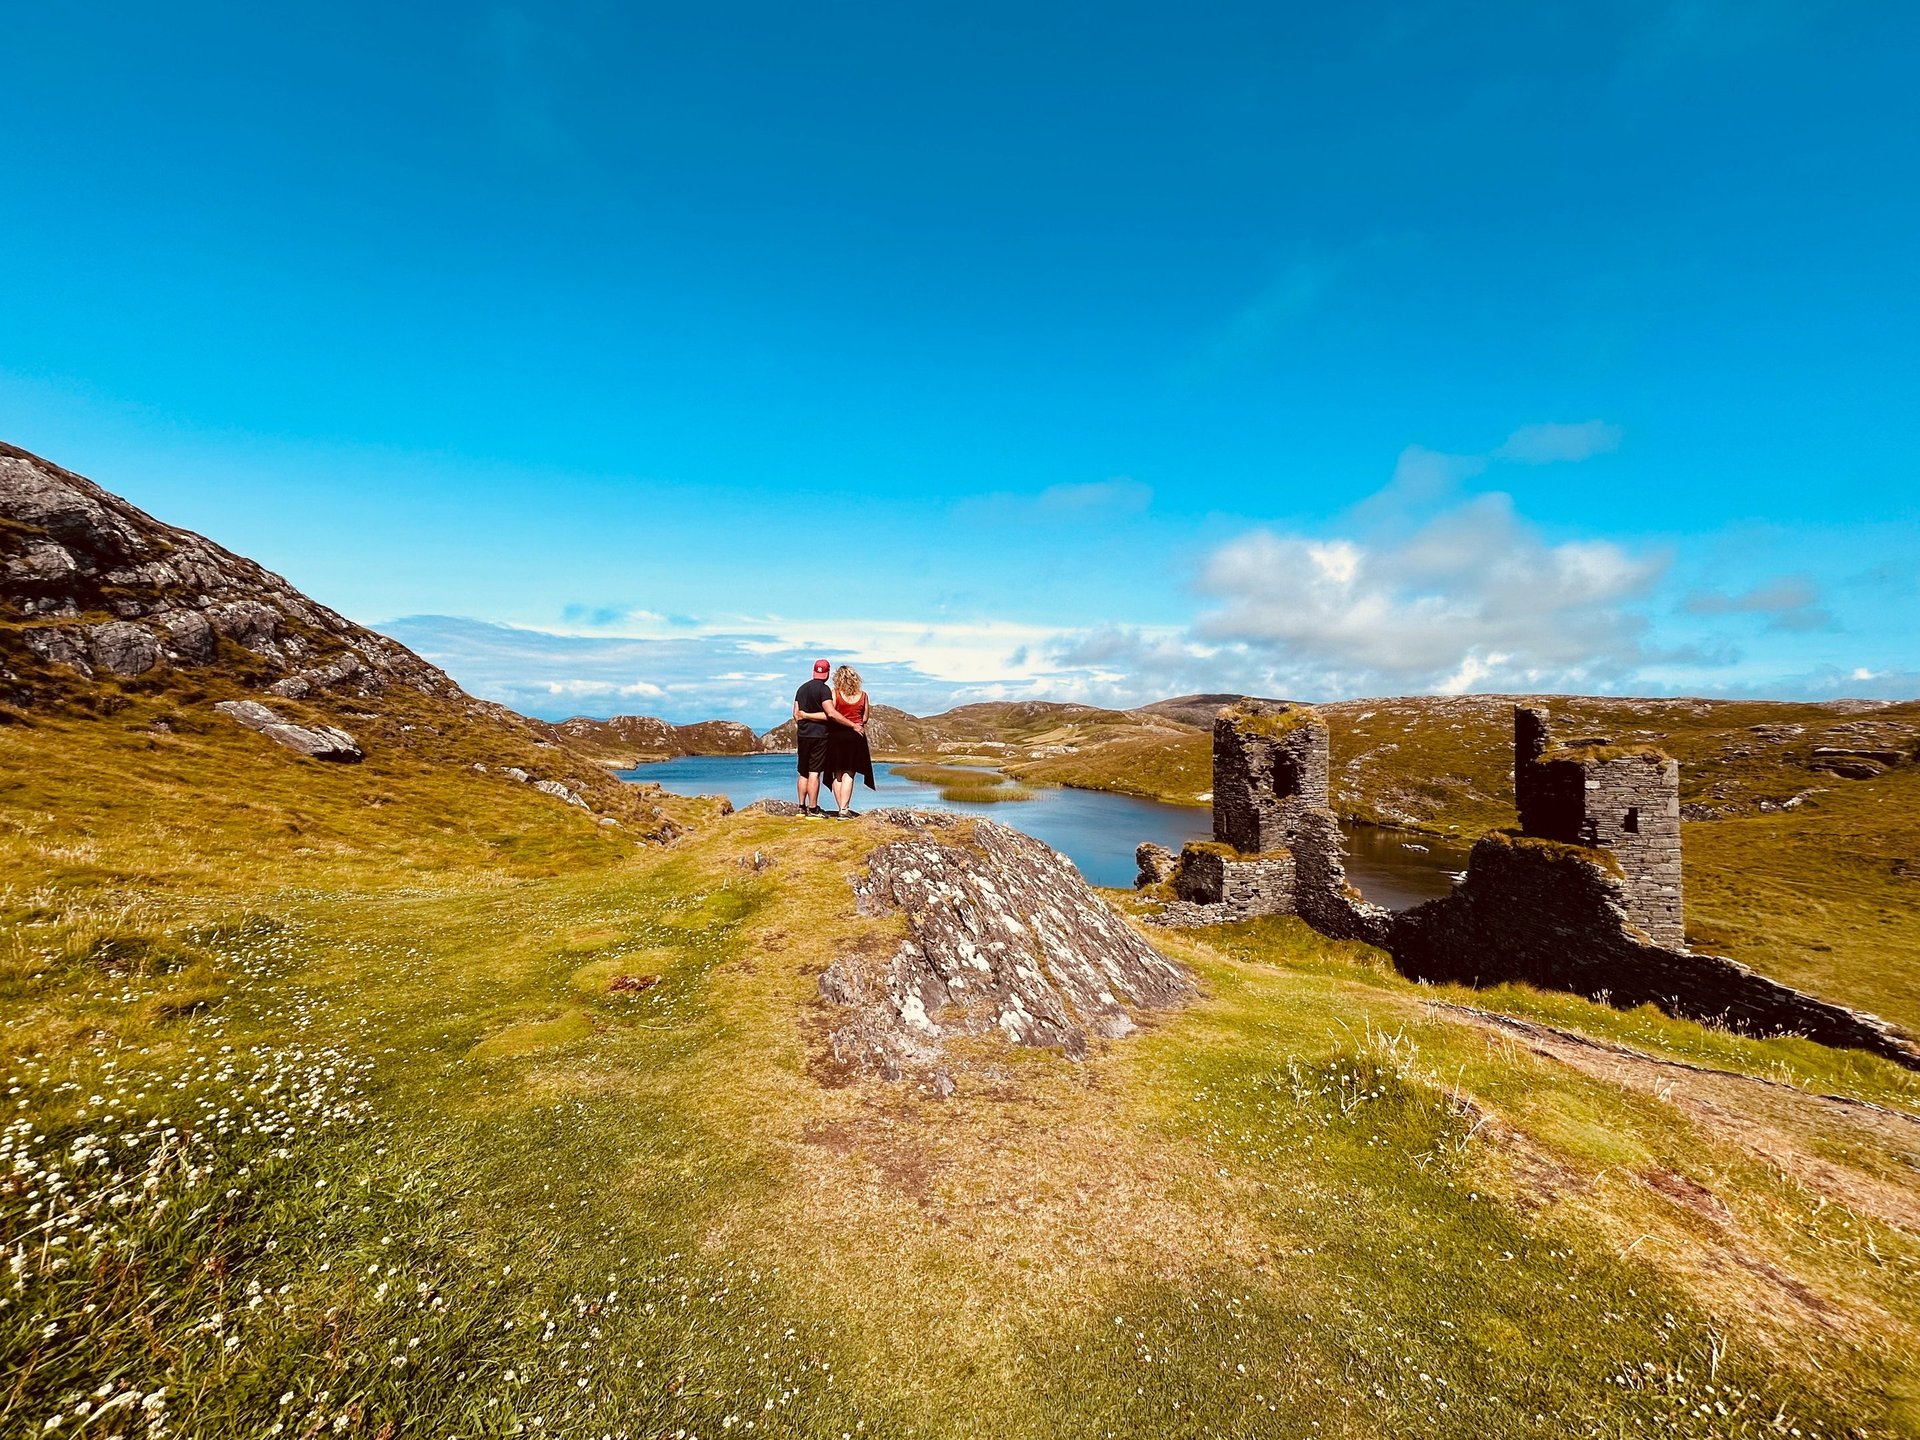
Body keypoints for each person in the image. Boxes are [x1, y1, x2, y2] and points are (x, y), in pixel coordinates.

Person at [823, 664, 875, 816]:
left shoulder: (835, 693)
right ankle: (844, 809)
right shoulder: (863, 695)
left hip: (836, 735)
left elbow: (831, 714)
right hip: (855, 737)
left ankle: (842, 809)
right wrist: (855, 723)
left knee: (837, 774)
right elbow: (864, 718)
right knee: (849, 773)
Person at [791, 658, 834, 815]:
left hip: (803, 735)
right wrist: (810, 716)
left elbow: (796, 714)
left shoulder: (801, 689)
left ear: (814, 671)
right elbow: (829, 714)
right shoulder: (824, 690)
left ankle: (801, 807)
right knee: (814, 772)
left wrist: (804, 719)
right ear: (828, 673)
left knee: (803, 772)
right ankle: (813, 808)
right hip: (819, 736)